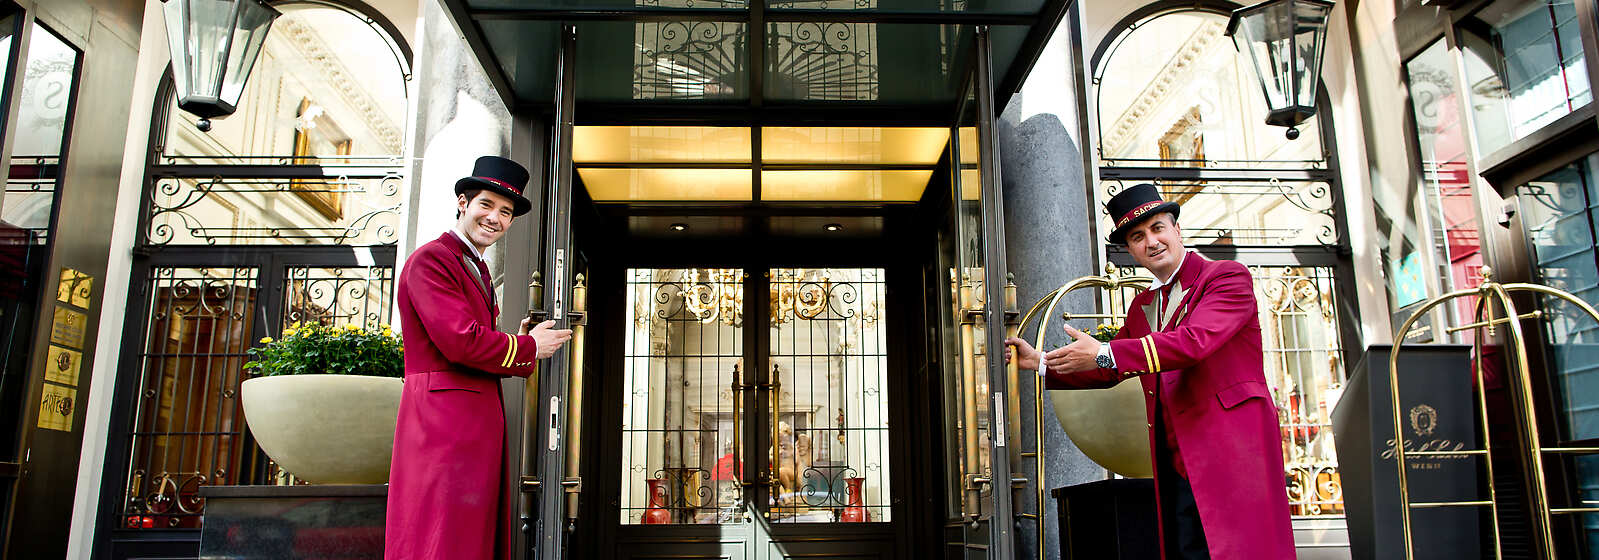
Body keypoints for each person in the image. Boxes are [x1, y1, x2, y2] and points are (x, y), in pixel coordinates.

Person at [1006, 183, 1294, 559]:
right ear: (1130, 251)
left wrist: (1106, 351)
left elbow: (1194, 342)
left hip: (1232, 452)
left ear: (1177, 230)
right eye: (1138, 237)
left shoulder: (1226, 278)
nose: (1152, 242)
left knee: (1243, 550)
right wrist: (1040, 362)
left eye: (1158, 228)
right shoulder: (1143, 304)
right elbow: (1110, 368)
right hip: (1176, 461)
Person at [385, 156, 573, 560]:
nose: (495, 218)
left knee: (468, 536)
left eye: (506, 212)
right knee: (442, 536)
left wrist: (518, 345)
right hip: (443, 426)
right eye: (486, 205)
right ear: (462, 202)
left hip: (468, 425)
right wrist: (527, 348)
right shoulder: (433, 259)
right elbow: (459, 341)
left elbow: (469, 341)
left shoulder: (475, 267)